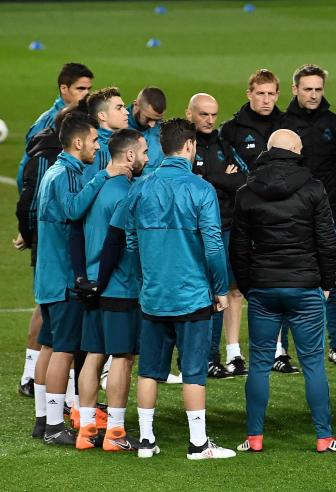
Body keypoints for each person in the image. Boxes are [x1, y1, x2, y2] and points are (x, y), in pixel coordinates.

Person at [231, 129, 336, 453]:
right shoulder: (312, 188)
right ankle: (324, 437)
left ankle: (254, 438)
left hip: (264, 288)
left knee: (259, 364)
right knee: (313, 365)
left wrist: (248, 285)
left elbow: (238, 247)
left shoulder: (247, 191)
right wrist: (327, 283)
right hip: (305, 286)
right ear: (296, 150)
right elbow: (327, 241)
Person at [127, 118, 234, 459]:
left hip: (154, 295)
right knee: (194, 371)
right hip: (192, 295)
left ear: (161, 146)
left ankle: (145, 441)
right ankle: (198, 444)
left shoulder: (140, 187)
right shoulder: (201, 189)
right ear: (190, 146)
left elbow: (130, 242)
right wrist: (220, 287)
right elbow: (214, 246)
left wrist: (144, 280)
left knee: (149, 371)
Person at [34, 111, 130, 444]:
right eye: (92, 141)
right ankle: (53, 428)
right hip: (62, 278)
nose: (96, 146)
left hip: (48, 275)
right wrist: (103, 176)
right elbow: (74, 211)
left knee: (49, 346)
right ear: (78, 142)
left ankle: (43, 418)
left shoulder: (52, 172)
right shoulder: (66, 175)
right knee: (63, 350)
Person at [74, 129, 149, 451]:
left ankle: (86, 429)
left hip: (91, 285)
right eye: (144, 151)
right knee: (122, 357)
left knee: (93, 354)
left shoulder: (97, 188)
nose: (147, 157)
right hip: (119, 286)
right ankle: (115, 433)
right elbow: (119, 245)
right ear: (129, 156)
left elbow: (75, 231)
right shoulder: (127, 193)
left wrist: (85, 278)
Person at [279, 65, 336, 366]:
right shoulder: (281, 125)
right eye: (307, 89)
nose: (313, 95)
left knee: (333, 280)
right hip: (290, 217)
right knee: (284, 279)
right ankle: (281, 349)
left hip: (329, 214)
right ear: (295, 89)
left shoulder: (335, 124)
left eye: (318, 89)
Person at [220, 69, 290, 371]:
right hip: (243, 217)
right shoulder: (232, 130)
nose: (265, 99)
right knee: (235, 286)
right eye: (260, 93)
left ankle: (277, 350)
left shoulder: (288, 126)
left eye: (271, 93)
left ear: (277, 94)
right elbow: (224, 174)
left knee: (273, 283)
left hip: (277, 217)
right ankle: (233, 353)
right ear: (249, 94)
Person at [14, 107, 75, 399]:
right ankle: (32, 376)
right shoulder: (51, 161)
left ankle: (52, 410)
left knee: (55, 331)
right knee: (50, 317)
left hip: (57, 248)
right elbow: (27, 201)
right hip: (51, 247)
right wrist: (29, 235)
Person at [187, 93, 247, 378]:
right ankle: (204, 356)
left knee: (224, 290)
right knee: (204, 293)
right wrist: (223, 177)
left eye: (213, 114)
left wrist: (211, 178)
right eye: (203, 114)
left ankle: (216, 356)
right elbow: (190, 184)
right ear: (191, 114)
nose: (210, 120)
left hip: (226, 226)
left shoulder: (223, 143)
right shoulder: (185, 146)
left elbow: (242, 180)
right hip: (197, 231)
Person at [16, 62, 94, 191]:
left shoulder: (85, 116)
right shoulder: (48, 123)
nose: (87, 93)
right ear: (64, 89)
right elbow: (28, 166)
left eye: (89, 89)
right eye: (80, 89)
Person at [82, 87, 129, 182]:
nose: (126, 112)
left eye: (124, 107)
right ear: (102, 115)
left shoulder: (124, 141)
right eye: (119, 108)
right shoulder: (94, 149)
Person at [127, 87, 166, 171]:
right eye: (148, 118)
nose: (152, 125)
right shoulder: (117, 127)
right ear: (136, 105)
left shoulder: (164, 130)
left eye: (157, 120)